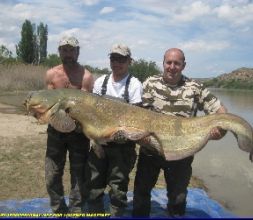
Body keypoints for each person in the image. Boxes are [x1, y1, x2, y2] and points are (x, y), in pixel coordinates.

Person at [132, 48, 227, 217]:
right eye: (169, 62)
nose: (172, 67)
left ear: (184, 65)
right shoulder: (149, 83)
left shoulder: (195, 87)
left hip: (181, 154)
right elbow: (138, 115)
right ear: (163, 63)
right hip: (150, 151)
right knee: (141, 193)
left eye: (177, 63)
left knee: (177, 198)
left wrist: (219, 130)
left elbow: (220, 111)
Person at [85, 43, 143, 217]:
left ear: (129, 61)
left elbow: (136, 119)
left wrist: (120, 133)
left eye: (121, 59)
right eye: (113, 59)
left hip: (122, 147)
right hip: (99, 144)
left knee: (118, 188)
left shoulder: (134, 85)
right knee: (94, 186)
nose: (117, 63)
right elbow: (91, 113)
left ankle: (117, 214)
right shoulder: (100, 82)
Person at [44, 36, 94, 213]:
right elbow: (48, 104)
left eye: (71, 50)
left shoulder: (86, 76)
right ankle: (58, 210)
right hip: (55, 132)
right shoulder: (52, 74)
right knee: (52, 174)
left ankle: (76, 211)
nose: (68, 54)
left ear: (77, 52)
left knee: (79, 176)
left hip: (78, 133)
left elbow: (84, 108)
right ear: (59, 52)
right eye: (64, 50)